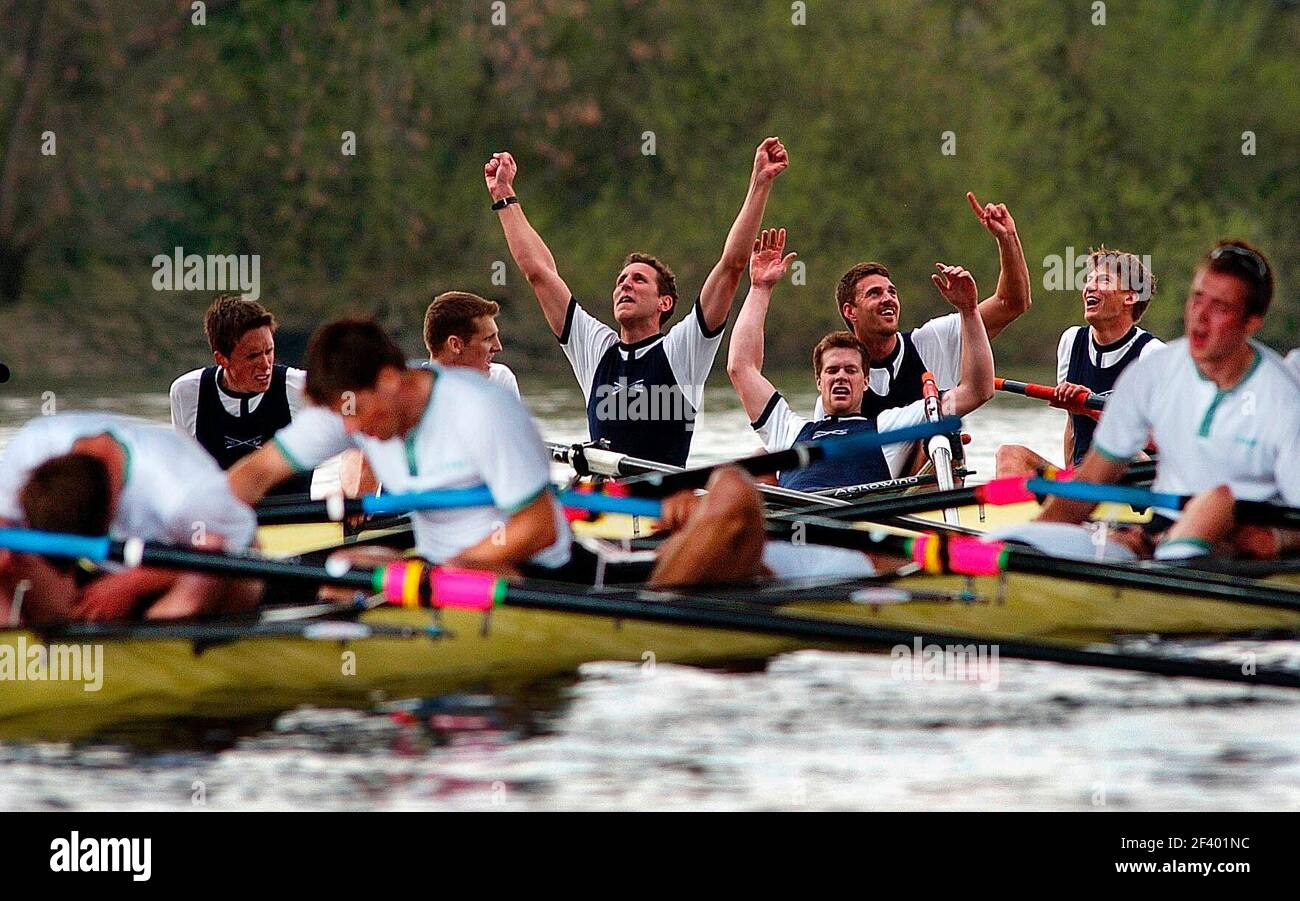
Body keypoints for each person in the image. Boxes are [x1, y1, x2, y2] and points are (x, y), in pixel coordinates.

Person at [228, 317, 878, 589]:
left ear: (392, 384)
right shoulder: (352, 405)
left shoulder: (483, 411)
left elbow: (536, 526)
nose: (357, 435)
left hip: (546, 577)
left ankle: (685, 593)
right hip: (449, 574)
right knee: (344, 561)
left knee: (734, 489)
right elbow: (256, 472)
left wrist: (448, 568)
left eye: (364, 418)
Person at [484, 137, 789, 466]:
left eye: (638, 279)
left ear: (665, 303)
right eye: (620, 281)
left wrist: (759, 184)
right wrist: (505, 198)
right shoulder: (596, 349)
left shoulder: (682, 351)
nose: (624, 285)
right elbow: (540, 273)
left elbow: (731, 266)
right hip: (605, 505)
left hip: (662, 507)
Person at [1035, 240, 1300, 561]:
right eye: (1197, 299)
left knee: (1218, 500)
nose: (1199, 317)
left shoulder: (1282, 397)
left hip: (1237, 547)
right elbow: (1089, 481)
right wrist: (1030, 538)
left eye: (1219, 307)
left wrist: (1278, 540)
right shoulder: (1151, 375)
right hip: (1158, 533)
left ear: (1250, 324)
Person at [728, 229, 995, 491]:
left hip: (859, 526)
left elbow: (978, 390)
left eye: (851, 370)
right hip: (798, 526)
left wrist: (969, 310)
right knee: (755, 461)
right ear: (819, 382)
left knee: (941, 439)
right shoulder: (789, 430)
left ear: (866, 381)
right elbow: (741, 368)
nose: (841, 376)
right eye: (832, 370)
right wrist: (760, 288)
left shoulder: (891, 427)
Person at [0, 413, 259, 624]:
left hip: (218, 569)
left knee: (202, 576)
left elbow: (227, 551)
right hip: (112, 568)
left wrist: (130, 584)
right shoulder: (32, 447)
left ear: (111, 514)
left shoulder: (182, 495)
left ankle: (158, 651)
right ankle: (22, 648)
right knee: (11, 560)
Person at [821, 192, 1030, 420]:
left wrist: (1007, 238)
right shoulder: (836, 387)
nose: (888, 299)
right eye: (875, 293)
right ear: (850, 311)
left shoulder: (934, 340)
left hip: (934, 452)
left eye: (892, 292)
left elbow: (1011, 303)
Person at [995, 248, 1164, 475]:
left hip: (1133, 483)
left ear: (1130, 297)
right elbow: (1072, 429)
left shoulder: (1152, 355)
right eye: (1088, 280)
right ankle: (1016, 506)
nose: (1089, 288)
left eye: (1103, 280)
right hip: (1083, 484)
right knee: (1010, 454)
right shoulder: (1071, 341)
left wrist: (1091, 411)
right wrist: (1069, 491)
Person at [169, 294, 314, 495]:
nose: (265, 364)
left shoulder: (301, 387)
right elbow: (183, 476)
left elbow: (360, 426)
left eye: (269, 351)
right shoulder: (187, 392)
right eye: (253, 356)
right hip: (223, 522)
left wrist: (357, 494)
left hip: (293, 521)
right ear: (222, 359)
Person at [422, 291, 520, 397]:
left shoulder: (499, 379)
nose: (498, 347)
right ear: (455, 345)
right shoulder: (411, 393)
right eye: (488, 339)